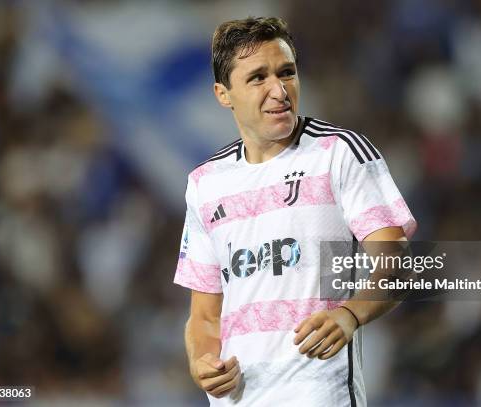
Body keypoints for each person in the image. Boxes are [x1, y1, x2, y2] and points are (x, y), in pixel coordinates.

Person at [174, 16, 417, 406]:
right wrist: (202, 360)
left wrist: (351, 314)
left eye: (286, 72)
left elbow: (399, 266)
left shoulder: (339, 154)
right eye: (258, 78)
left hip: (319, 395)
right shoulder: (205, 183)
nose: (279, 90)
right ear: (224, 94)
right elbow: (204, 316)